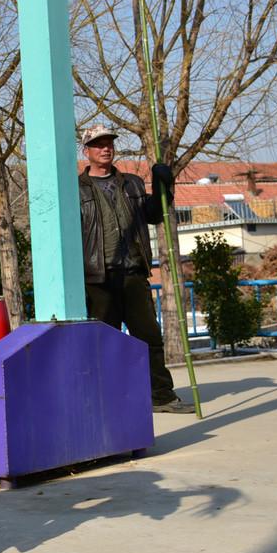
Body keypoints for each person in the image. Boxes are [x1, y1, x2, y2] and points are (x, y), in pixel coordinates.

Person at [77, 124, 191, 413]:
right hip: (98, 278)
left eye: (109, 143)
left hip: (133, 273)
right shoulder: (76, 190)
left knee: (148, 338)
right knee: (103, 343)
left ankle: (161, 396)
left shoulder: (132, 184)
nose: (105, 148)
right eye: (98, 144)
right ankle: (107, 399)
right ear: (86, 150)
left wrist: (164, 185)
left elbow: (154, 215)